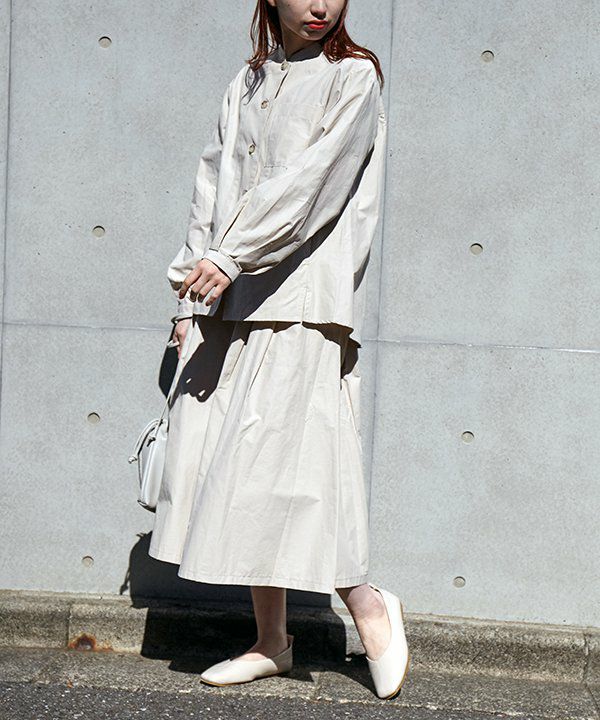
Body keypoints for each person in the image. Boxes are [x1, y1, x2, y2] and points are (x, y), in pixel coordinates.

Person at [147, 0, 410, 700]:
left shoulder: (353, 78)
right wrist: (190, 295)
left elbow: (315, 184)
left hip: (302, 301)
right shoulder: (248, 81)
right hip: (230, 297)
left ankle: (366, 603)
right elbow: (212, 187)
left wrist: (233, 254)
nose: (321, 6)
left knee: (298, 462)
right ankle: (273, 641)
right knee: (245, 473)